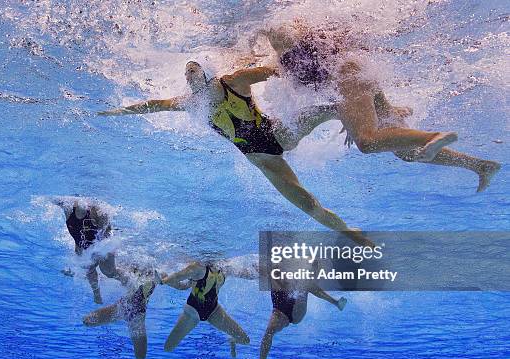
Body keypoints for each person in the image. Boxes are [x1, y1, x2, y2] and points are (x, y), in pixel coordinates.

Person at [97, 61, 375, 247]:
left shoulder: (234, 82)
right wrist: (117, 112)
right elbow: (154, 105)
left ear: (206, 70)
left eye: (192, 70)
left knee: (331, 108)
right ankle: (350, 233)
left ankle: (360, 114)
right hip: (263, 160)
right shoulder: (193, 104)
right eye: (185, 73)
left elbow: (281, 69)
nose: (187, 76)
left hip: (278, 135)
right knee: (308, 205)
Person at [254, 26, 500, 192]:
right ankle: (480, 165)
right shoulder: (289, 59)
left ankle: (435, 137)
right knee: (405, 153)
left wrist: (358, 115)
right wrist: (359, 112)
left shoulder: (288, 38)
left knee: (367, 141)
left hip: (352, 79)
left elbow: (343, 59)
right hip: (356, 82)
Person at [256, 263, 346, 359]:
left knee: (304, 282)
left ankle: (336, 302)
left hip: (297, 311)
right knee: (268, 332)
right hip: (280, 312)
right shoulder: (272, 270)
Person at [160, 261, 250, 357]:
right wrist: (164, 281)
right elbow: (179, 279)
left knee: (245, 340)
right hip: (193, 311)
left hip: (214, 311)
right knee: (168, 348)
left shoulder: (224, 269)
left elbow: (245, 273)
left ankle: (232, 341)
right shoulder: (197, 267)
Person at [54, 198, 128, 303]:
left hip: (103, 244)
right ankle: (97, 294)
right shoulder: (68, 208)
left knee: (108, 272)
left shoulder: (99, 212)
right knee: (88, 268)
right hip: (82, 245)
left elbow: (107, 236)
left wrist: (98, 252)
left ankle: (128, 283)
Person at [83, 268, 161, 359]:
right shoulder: (134, 281)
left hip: (132, 311)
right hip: (127, 309)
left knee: (140, 356)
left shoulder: (143, 282)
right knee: (87, 321)